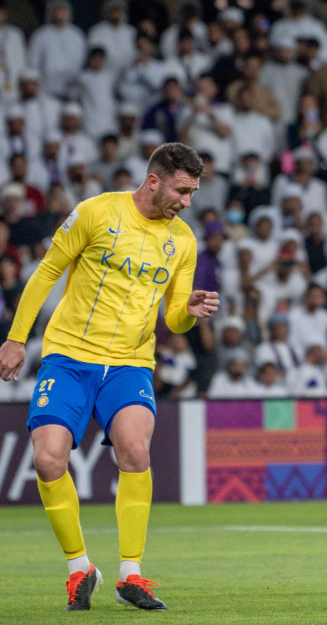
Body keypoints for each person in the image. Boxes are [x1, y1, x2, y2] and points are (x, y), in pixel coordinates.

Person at [0, 143, 220, 611]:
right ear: (154, 180)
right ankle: (80, 568)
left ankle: (131, 575)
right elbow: (45, 273)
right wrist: (17, 339)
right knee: (47, 461)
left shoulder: (182, 240)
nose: (187, 202)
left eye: (193, 193)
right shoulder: (97, 212)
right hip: (69, 357)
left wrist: (189, 312)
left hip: (130, 362)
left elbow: (174, 318)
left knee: (136, 449)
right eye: (182, 191)